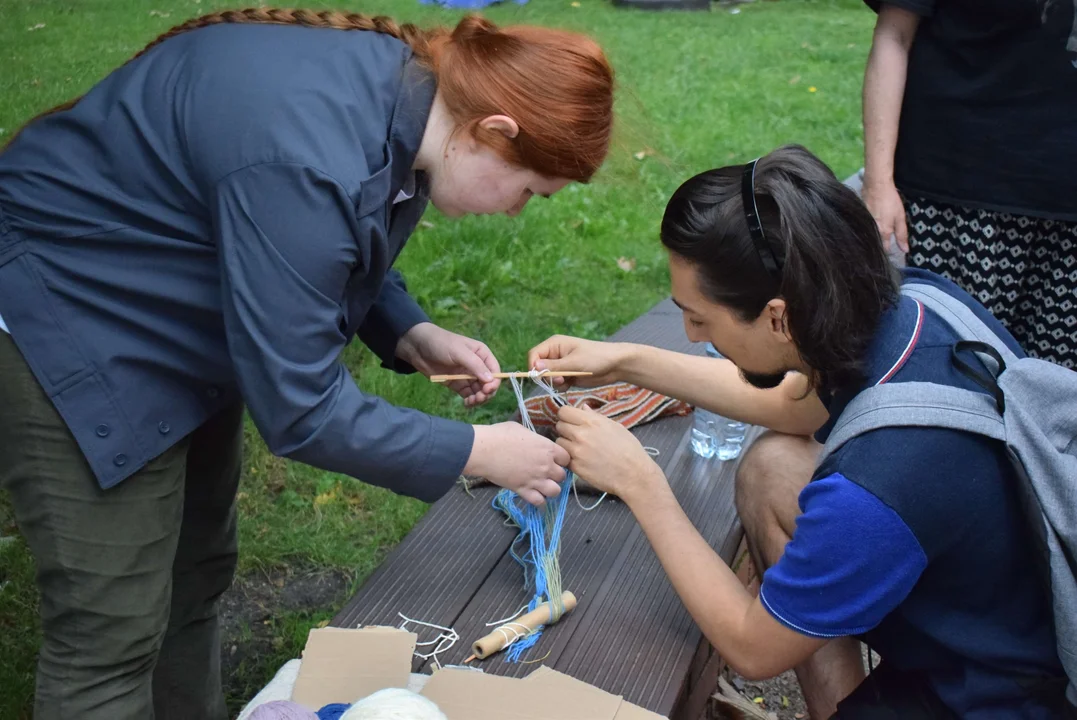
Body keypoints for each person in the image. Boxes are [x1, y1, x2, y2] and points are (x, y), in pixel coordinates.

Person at [0, 8, 613, 719]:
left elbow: (308, 238)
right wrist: (477, 449)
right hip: (65, 310)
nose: (516, 213)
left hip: (173, 298)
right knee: (113, 628)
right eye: (529, 192)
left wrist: (406, 328)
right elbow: (302, 409)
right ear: (493, 130)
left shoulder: (412, 101)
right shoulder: (307, 151)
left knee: (193, 577)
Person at [529, 145, 1073, 718]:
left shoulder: (879, 485)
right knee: (775, 470)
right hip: (1002, 613)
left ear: (778, 317)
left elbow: (750, 645)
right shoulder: (916, 306)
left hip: (999, 698)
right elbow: (798, 408)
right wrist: (628, 361)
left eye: (700, 318)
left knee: (781, 581)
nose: (691, 334)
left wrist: (640, 481)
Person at [860, 0, 1077, 369]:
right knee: (954, 372)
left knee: (1060, 390)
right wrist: (879, 184)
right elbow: (894, 34)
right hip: (959, 198)